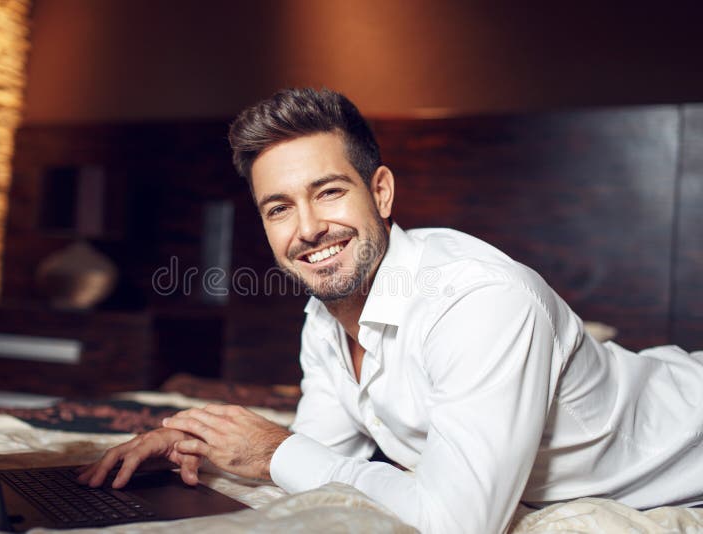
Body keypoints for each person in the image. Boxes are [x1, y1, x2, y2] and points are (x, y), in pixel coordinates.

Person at [78, 88, 703, 533]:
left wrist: (272, 450)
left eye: (328, 192)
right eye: (279, 208)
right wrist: (199, 443)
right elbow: (316, 456)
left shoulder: (479, 302)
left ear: (380, 191)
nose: (309, 229)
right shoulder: (325, 315)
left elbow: (459, 523)